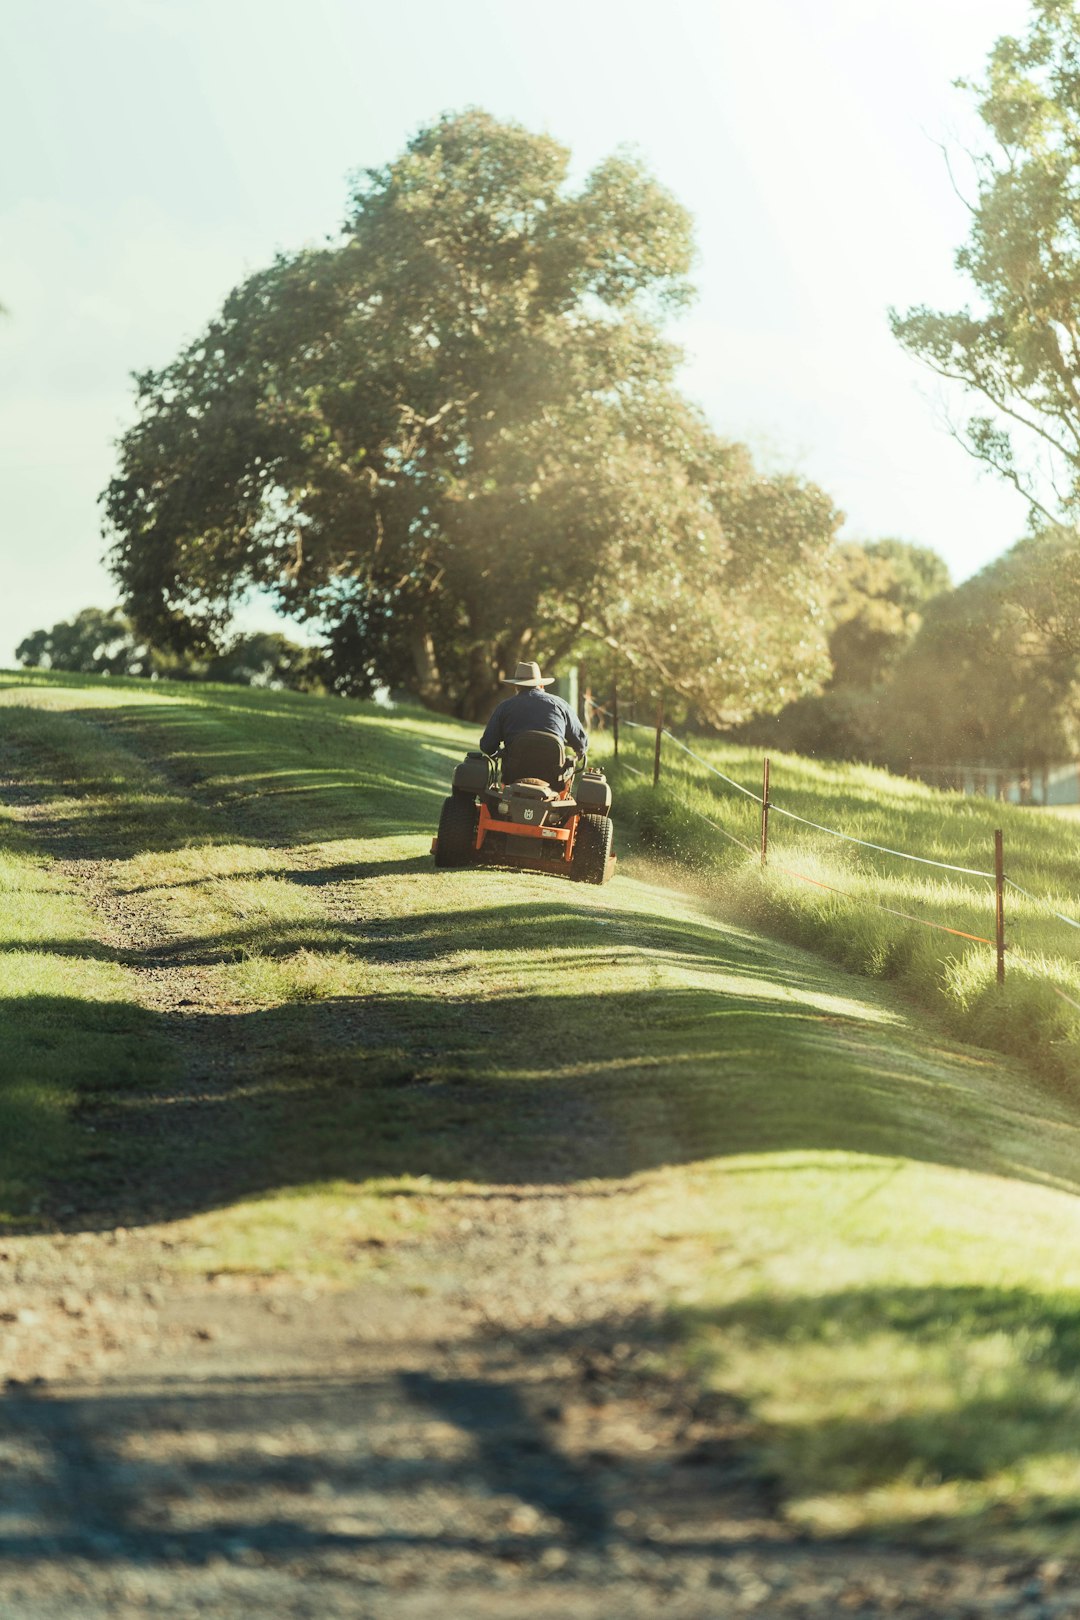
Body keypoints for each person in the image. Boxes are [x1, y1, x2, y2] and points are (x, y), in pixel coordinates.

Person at [479, 661, 588, 761]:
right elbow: (581, 743)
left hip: (513, 773)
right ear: (541, 685)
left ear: (517, 687)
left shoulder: (504, 707)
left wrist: (500, 753)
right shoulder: (561, 705)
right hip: (554, 774)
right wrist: (578, 753)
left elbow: (487, 745)